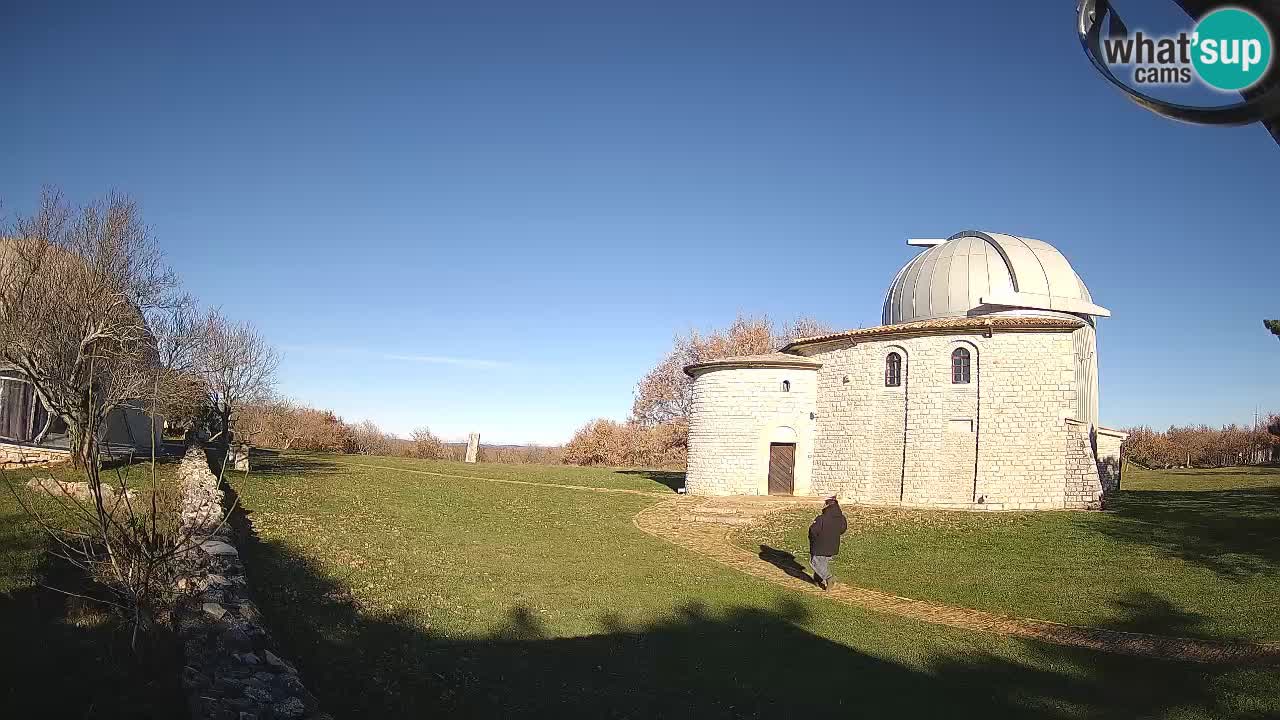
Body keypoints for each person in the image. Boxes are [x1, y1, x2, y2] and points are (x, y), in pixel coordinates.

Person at [808, 495, 847, 590]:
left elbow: (813, 530)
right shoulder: (841, 518)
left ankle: (829, 578)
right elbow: (843, 529)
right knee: (823, 562)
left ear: (827, 505)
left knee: (814, 562)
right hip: (833, 545)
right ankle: (818, 580)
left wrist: (813, 539)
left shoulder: (821, 518)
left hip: (820, 545)